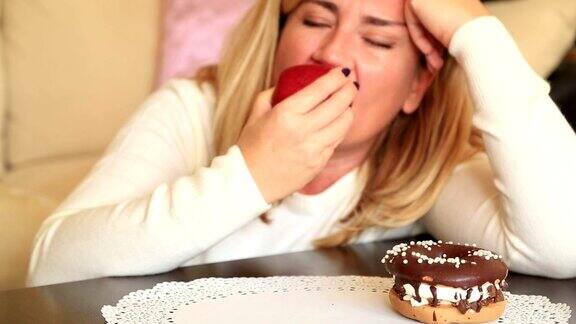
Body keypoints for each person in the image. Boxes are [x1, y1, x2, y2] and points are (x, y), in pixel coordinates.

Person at [27, 0, 576, 287]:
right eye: (316, 18)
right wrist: (252, 175)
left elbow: (563, 245)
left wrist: (476, 33)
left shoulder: (419, 173)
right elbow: (52, 267)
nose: (332, 51)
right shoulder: (193, 110)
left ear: (416, 86)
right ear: (281, 34)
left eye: (377, 38)